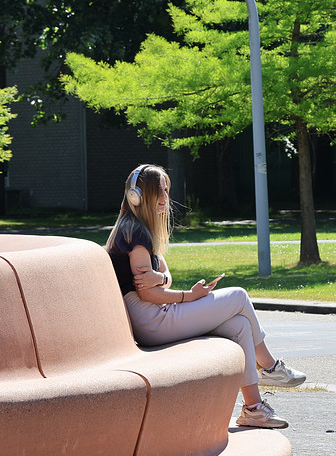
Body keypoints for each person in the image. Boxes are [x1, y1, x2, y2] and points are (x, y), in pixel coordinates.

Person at [105, 164, 306, 429]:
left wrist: (163, 279)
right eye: (158, 193)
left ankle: (254, 409)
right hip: (152, 319)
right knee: (238, 296)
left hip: (154, 314)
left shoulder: (138, 229)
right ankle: (270, 368)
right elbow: (149, 293)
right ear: (137, 196)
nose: (165, 198)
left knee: (239, 326)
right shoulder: (136, 233)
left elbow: (162, 277)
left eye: (166, 190)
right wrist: (190, 295)